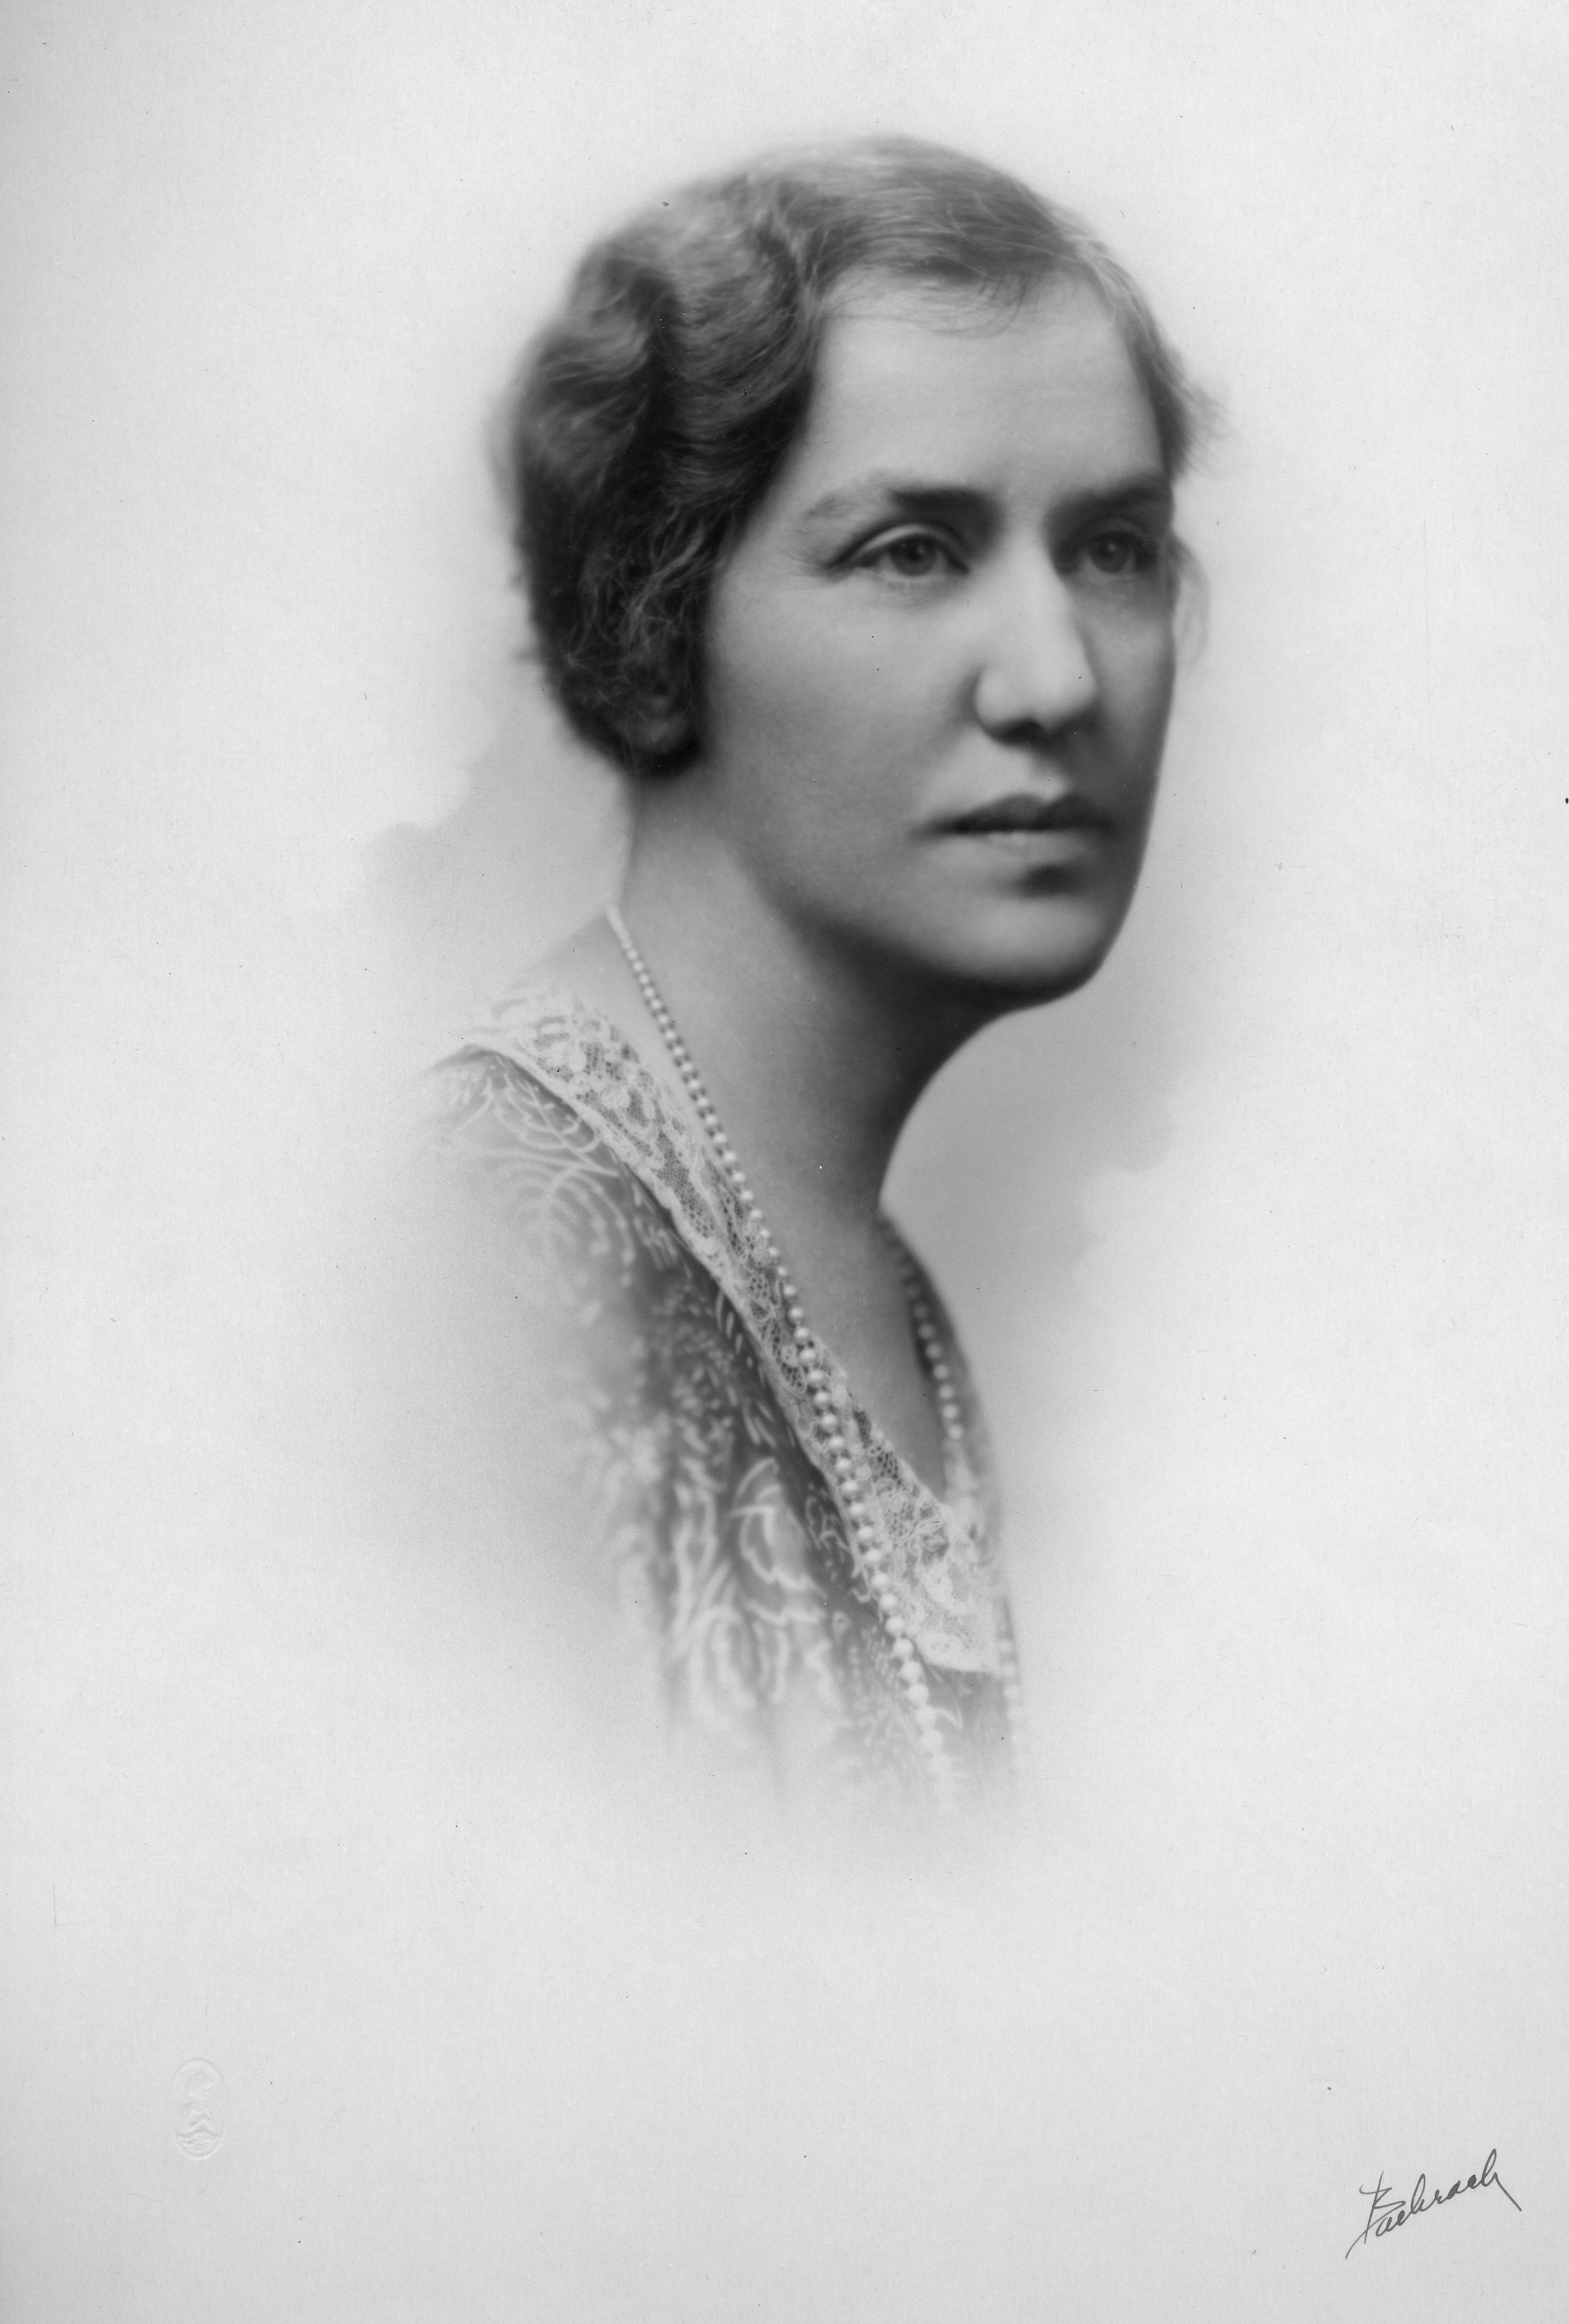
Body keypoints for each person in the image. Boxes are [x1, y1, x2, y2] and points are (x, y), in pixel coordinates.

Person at [429, 137, 1205, 1820]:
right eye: (913, 550)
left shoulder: (872, 1286)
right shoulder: (494, 1278)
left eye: (1113, 547)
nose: (1057, 679)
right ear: (656, 615)